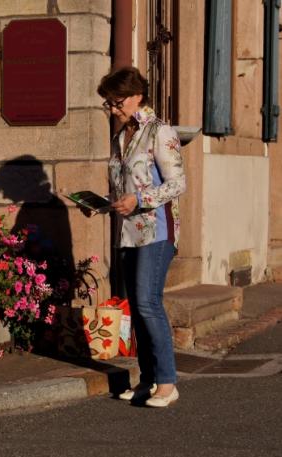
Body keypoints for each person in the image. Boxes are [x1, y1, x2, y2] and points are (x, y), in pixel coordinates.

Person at [96, 66, 186, 407]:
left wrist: (140, 200)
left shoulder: (160, 132)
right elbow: (124, 186)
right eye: (109, 104)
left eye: (117, 102)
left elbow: (178, 183)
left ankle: (167, 382)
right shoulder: (123, 136)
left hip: (157, 230)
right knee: (137, 306)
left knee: (149, 303)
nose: (114, 109)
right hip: (128, 232)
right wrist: (105, 204)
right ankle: (147, 380)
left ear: (136, 96)